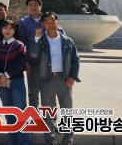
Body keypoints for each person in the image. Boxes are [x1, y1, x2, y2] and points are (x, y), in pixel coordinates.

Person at [29, 12, 80, 145]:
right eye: (47, 22)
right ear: (43, 24)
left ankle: (68, 140)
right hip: (46, 80)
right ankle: (50, 140)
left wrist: (73, 77)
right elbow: (33, 55)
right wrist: (36, 38)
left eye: (53, 21)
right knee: (48, 112)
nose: (50, 24)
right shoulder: (40, 40)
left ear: (57, 22)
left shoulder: (67, 41)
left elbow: (76, 60)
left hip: (64, 79)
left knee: (67, 110)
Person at [0, 20, 31, 145]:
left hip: (16, 82)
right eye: (5, 28)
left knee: (20, 111)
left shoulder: (19, 45)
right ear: (1, 30)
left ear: (14, 31)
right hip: (2, 83)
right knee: (9, 112)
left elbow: (20, 64)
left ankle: (24, 142)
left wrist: (6, 75)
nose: (7, 30)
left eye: (10, 28)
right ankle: (13, 141)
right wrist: (0, 75)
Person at [17, 0, 45, 109]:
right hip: (32, 62)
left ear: (40, 6)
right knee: (33, 93)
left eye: (35, 5)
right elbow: (21, 44)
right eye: (30, 5)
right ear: (27, 7)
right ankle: (34, 117)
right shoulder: (23, 22)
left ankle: (49, 118)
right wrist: (25, 63)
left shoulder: (48, 19)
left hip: (47, 61)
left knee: (48, 93)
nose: (33, 7)